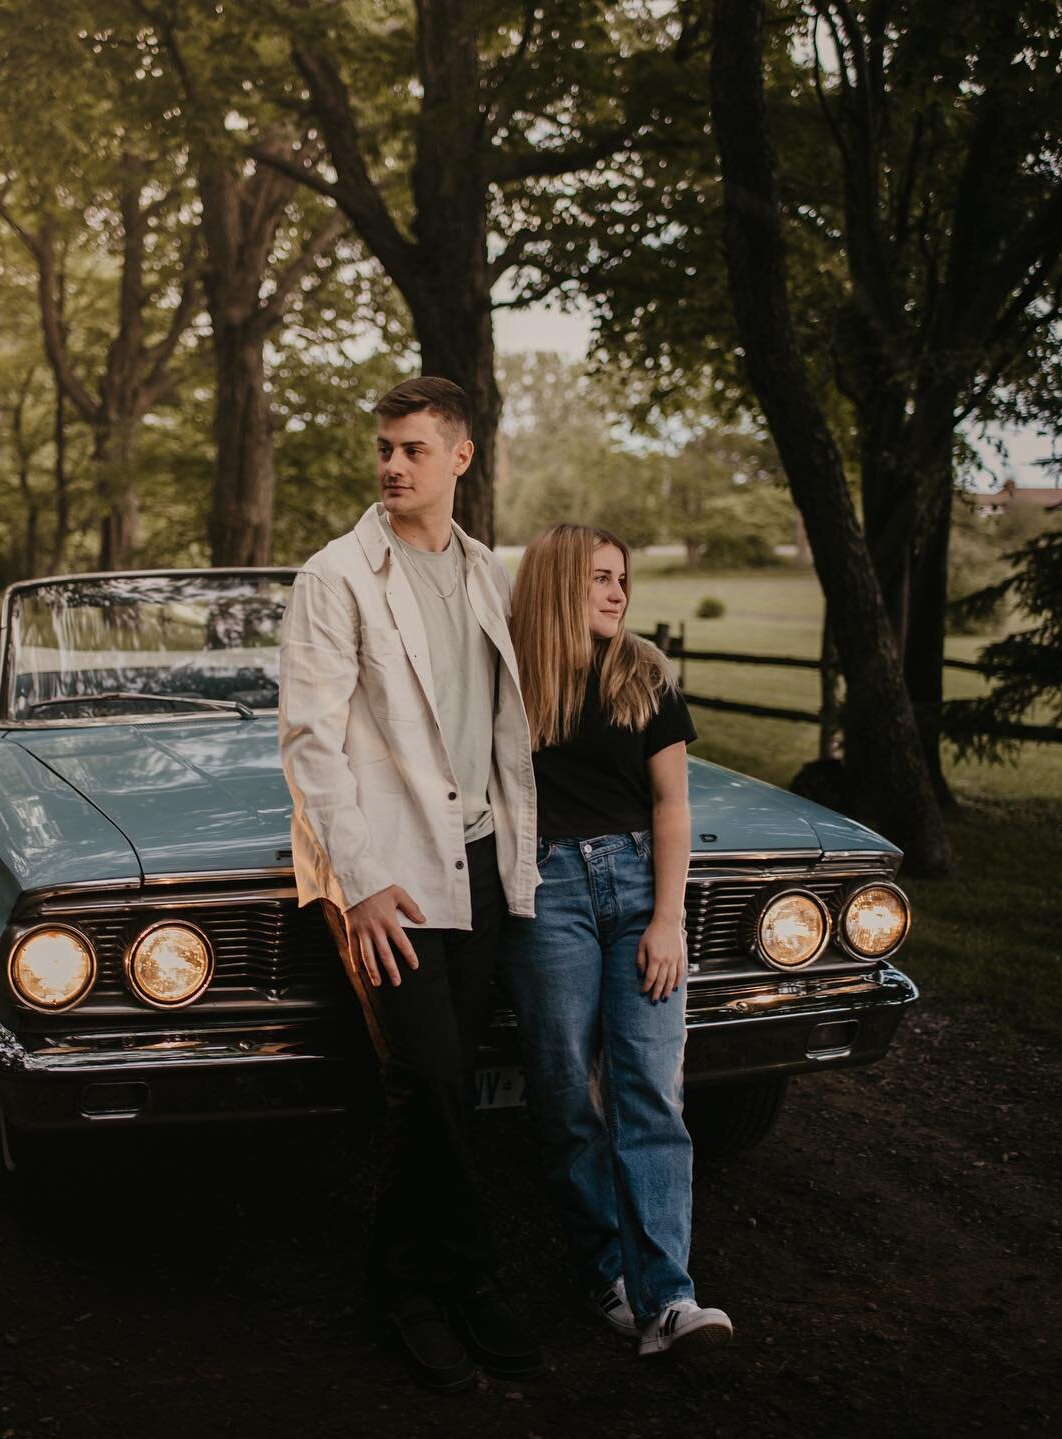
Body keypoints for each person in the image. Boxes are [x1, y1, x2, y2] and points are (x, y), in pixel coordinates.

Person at [277, 377, 544, 1392]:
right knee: (426, 1074)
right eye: (384, 448)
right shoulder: (337, 575)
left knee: (447, 1080)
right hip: (386, 867)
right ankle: (450, 1281)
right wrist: (363, 881)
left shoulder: (489, 573)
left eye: (414, 450)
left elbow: (533, 699)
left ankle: (421, 1281)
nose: (392, 466)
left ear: (461, 458)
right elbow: (310, 742)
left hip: (476, 855)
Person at [503, 522, 733, 1359]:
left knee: (648, 1086)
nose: (617, 592)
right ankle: (604, 1270)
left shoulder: (645, 672)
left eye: (623, 579)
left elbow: (672, 806)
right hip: (544, 890)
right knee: (566, 1092)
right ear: (560, 581)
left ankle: (670, 1296)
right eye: (600, 577)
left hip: (639, 890)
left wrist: (669, 917)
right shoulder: (509, 675)